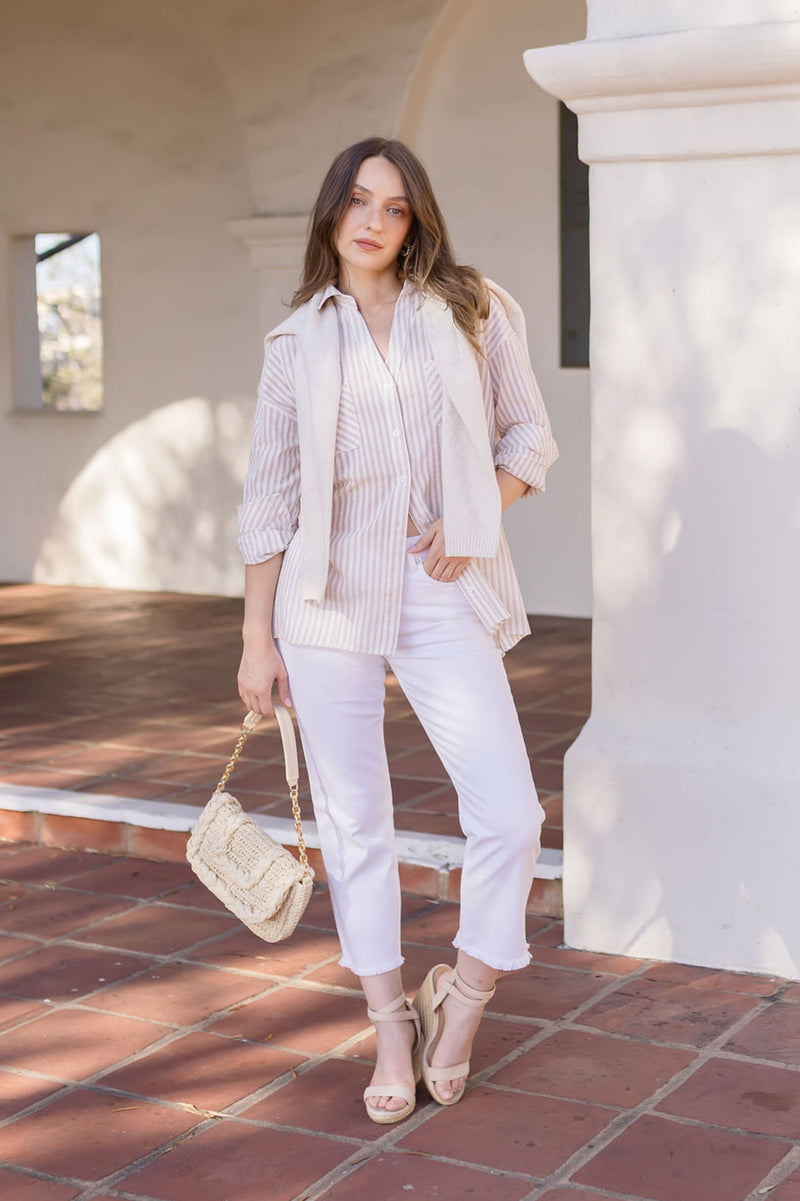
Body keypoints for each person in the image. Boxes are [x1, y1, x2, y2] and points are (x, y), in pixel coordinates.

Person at [236, 136, 558, 1123]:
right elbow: (269, 501)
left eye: (394, 207)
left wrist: (476, 514)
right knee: (353, 821)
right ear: (331, 213)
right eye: (357, 202)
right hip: (322, 600)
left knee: (509, 815)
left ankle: (458, 999)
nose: (373, 222)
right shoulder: (295, 343)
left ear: (414, 221)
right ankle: (386, 1023)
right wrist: (256, 640)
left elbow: (527, 436)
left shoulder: (468, 306)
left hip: (434, 585)